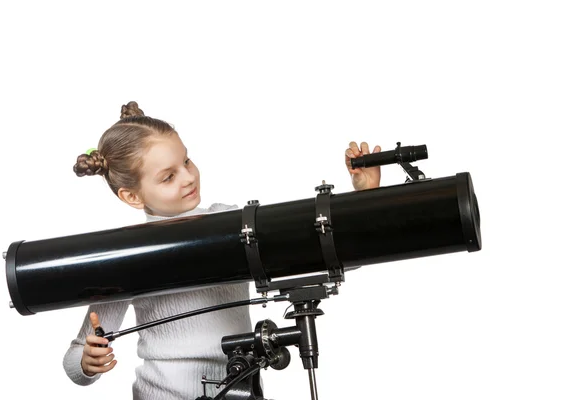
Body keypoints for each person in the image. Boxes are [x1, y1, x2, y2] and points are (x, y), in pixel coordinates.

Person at [64, 101, 382, 400]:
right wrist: (86, 361)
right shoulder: (124, 255)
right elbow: (74, 358)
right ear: (132, 196)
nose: (189, 176)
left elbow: (325, 254)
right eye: (168, 176)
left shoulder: (233, 222)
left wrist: (365, 200)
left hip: (239, 385)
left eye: (186, 161)